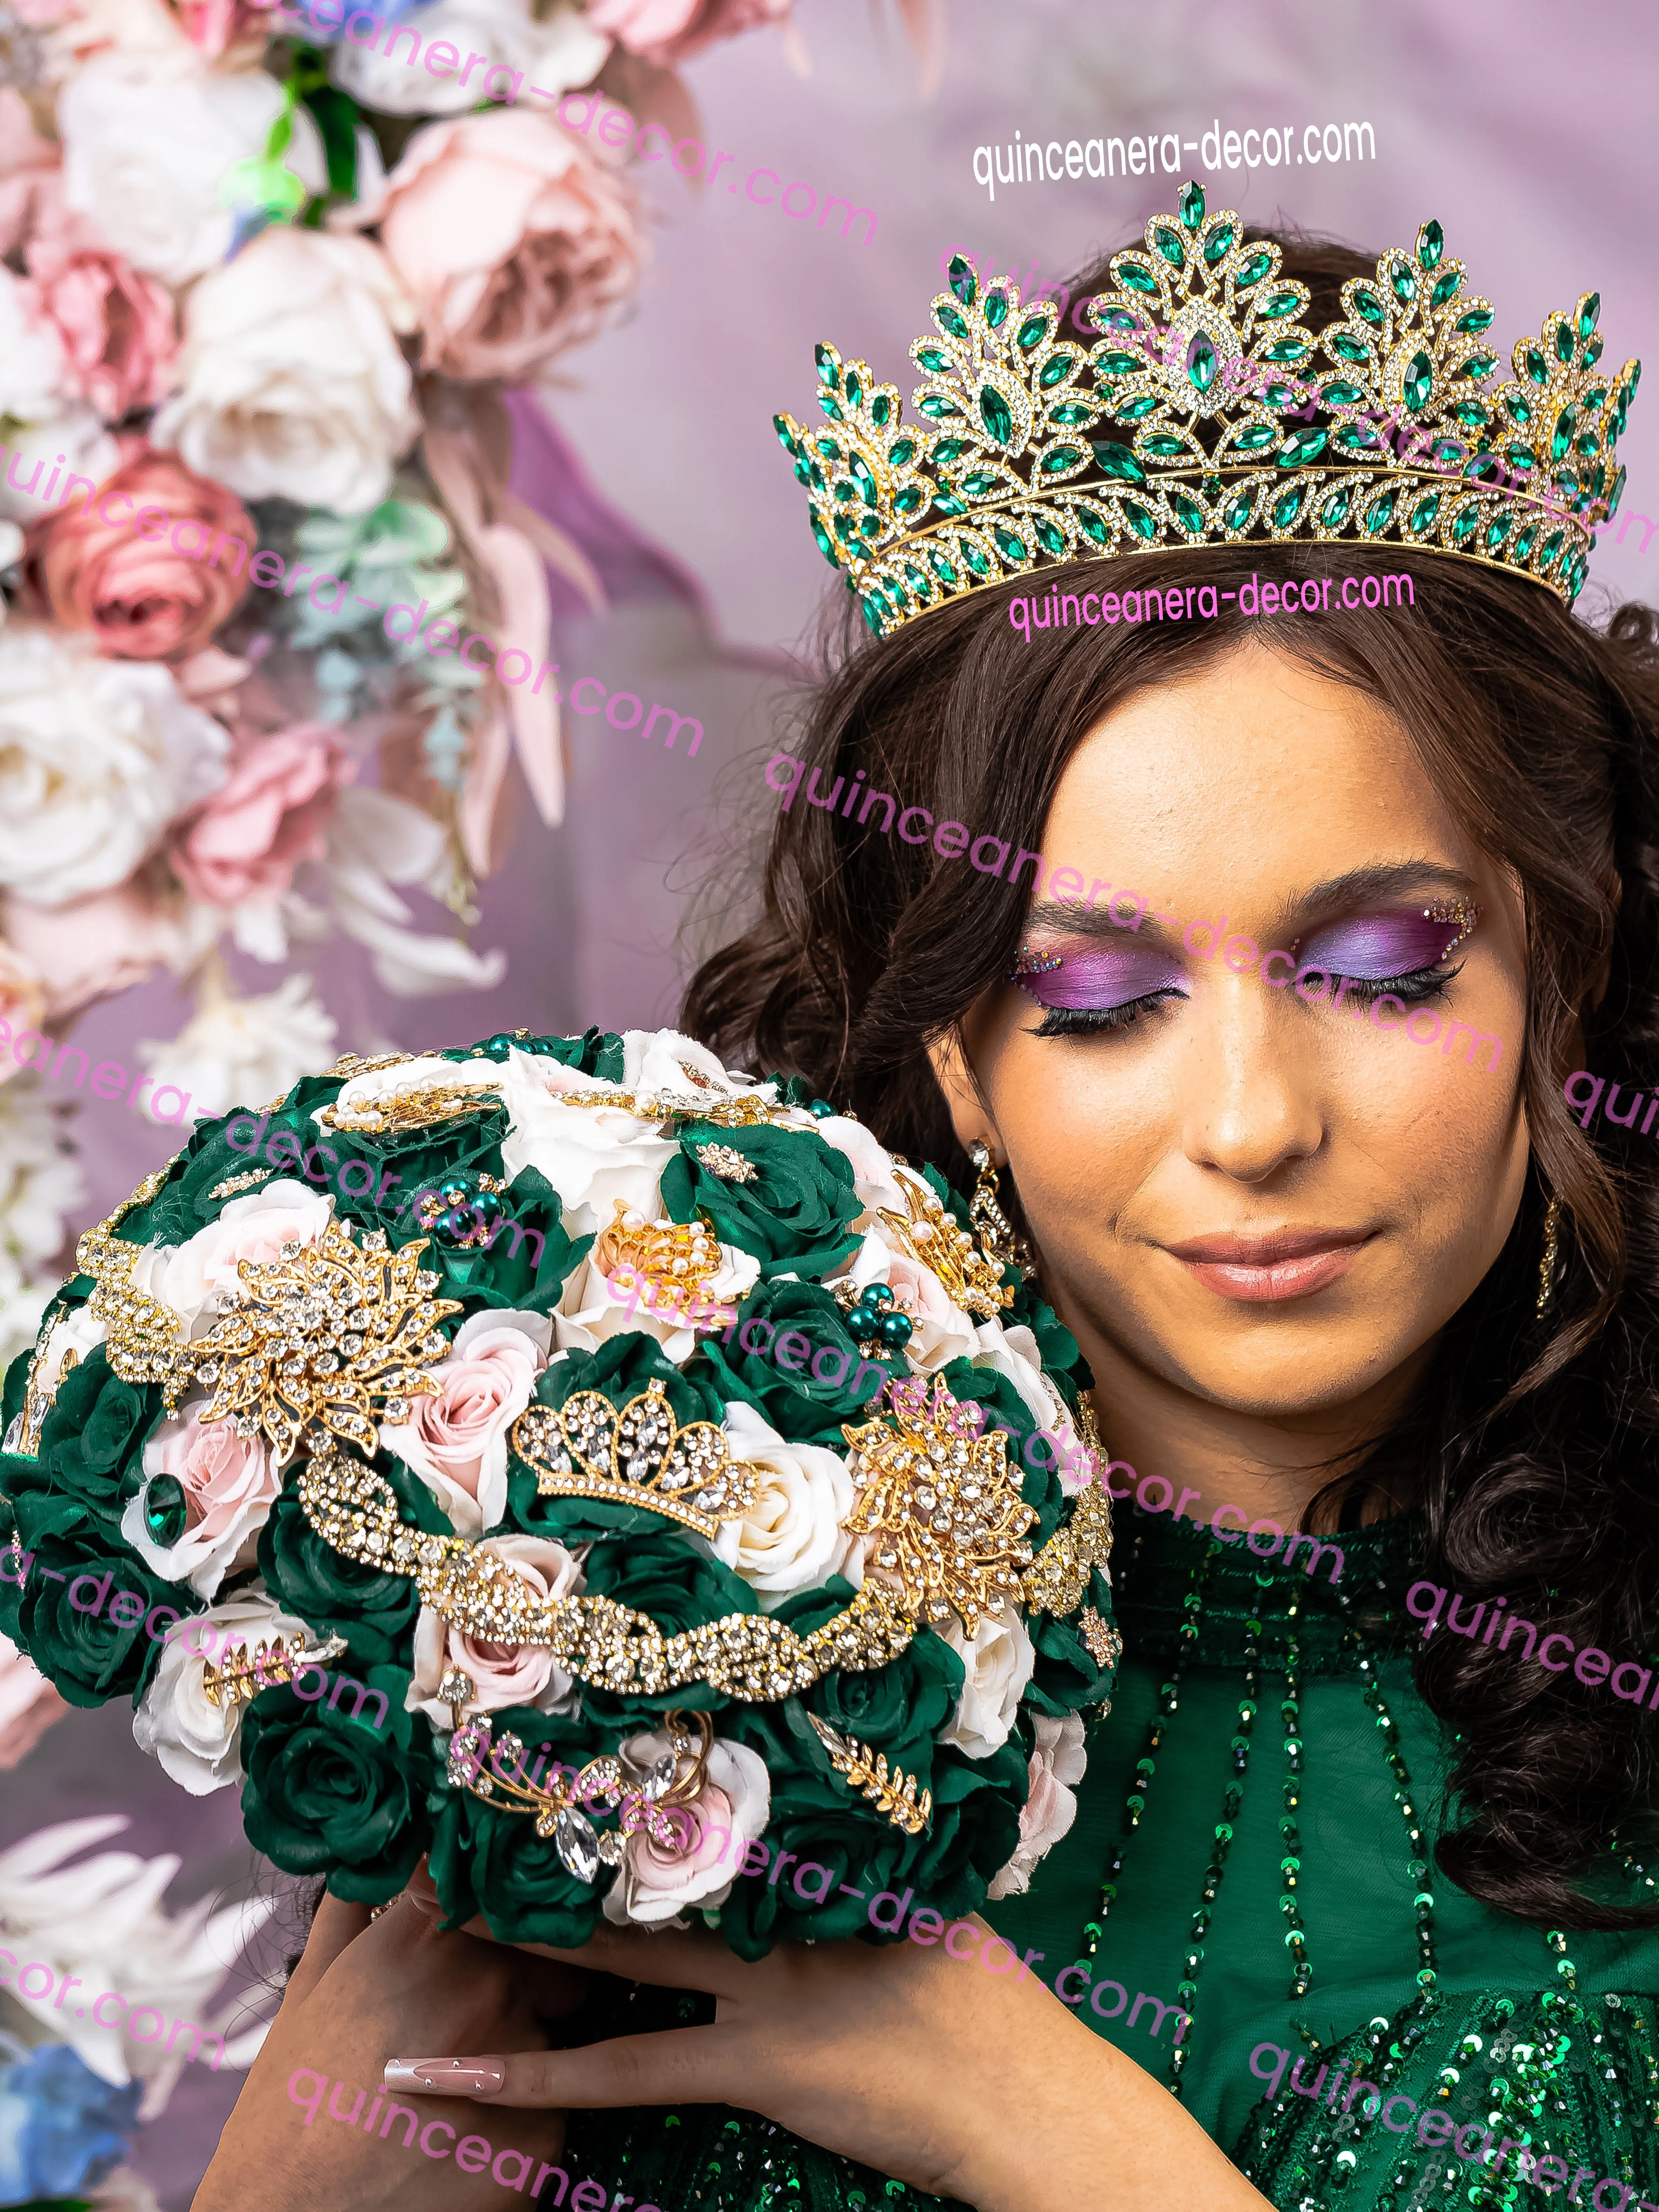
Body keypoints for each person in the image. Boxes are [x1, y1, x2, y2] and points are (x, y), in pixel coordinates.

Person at [191, 203, 1659, 2212]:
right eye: (1098, 999)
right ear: (959, 1058)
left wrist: (1023, 2117)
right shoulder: (656, 1665)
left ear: (1559, 980)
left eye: (1385, 965)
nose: (1249, 1121)